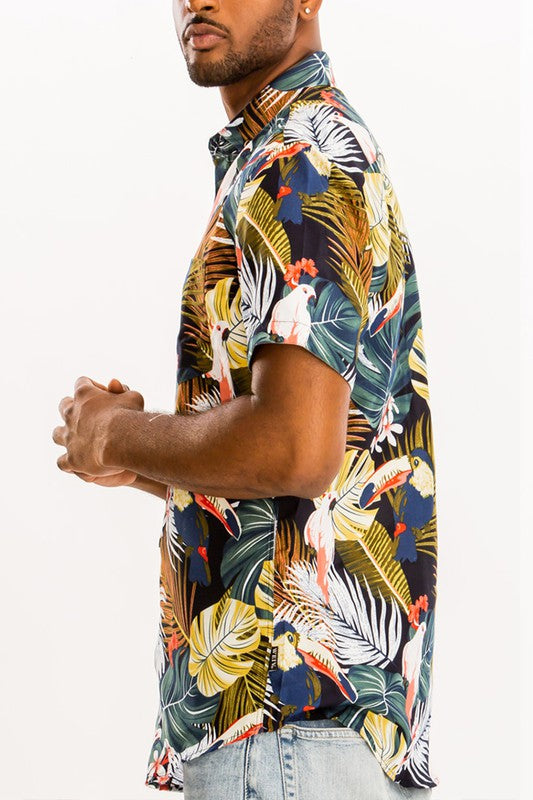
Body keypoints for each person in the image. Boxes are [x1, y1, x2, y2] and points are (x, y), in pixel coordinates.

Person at [52, 1, 440, 798]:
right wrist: (145, 457)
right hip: (314, 734)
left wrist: (120, 435)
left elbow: (293, 448)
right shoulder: (305, 147)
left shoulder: (299, 159)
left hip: (282, 732)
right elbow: (324, 472)